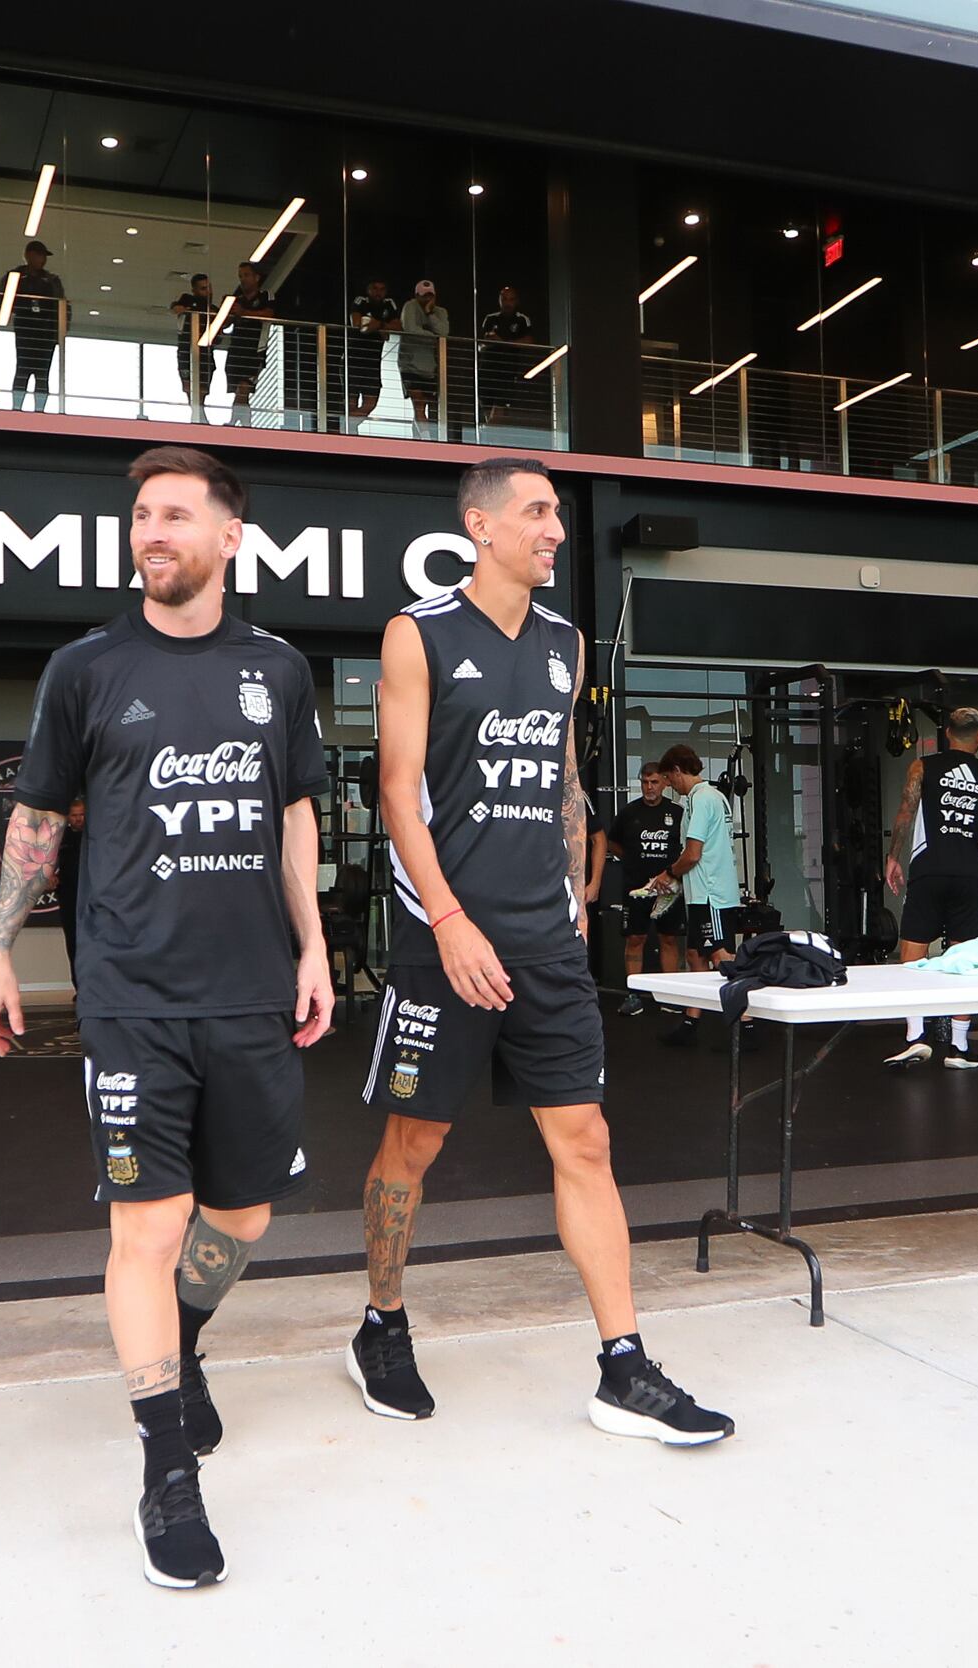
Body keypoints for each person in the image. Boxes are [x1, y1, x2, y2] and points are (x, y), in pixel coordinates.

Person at [0, 445, 333, 1590]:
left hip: (252, 990)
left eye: (175, 514)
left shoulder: (277, 668)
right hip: (130, 992)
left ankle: (176, 1345)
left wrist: (316, 944)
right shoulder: (86, 667)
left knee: (246, 1218)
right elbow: (36, 817)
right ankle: (166, 1469)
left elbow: (292, 817)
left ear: (232, 536)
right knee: (146, 1227)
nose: (151, 532)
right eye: (141, 516)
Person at [354, 454, 733, 1447]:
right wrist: (447, 917)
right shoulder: (417, 634)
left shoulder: (564, 641)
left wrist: (575, 890)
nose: (554, 530)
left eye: (556, 514)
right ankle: (380, 1323)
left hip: (542, 940)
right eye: (535, 513)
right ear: (480, 527)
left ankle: (623, 1367)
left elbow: (564, 778)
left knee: (587, 1140)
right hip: (446, 937)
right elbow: (397, 791)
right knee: (415, 1143)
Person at [883, 708, 978, 1070]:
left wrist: (893, 858)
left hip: (928, 870)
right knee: (963, 961)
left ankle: (915, 1037)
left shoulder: (923, 767)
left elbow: (905, 814)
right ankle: (959, 1048)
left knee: (913, 954)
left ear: (947, 734)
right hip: (969, 874)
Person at [644, 745, 742, 1046]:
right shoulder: (715, 797)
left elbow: (693, 854)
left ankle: (746, 1025)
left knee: (721, 957)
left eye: (668, 779)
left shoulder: (700, 799)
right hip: (705, 893)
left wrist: (668, 874)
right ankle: (691, 1021)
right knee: (694, 955)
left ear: (676, 771)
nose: (670, 786)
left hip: (711, 893)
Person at [609, 762, 685, 1016]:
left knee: (669, 938)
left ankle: (670, 994)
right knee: (635, 938)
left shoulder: (677, 812)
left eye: (654, 782)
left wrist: (672, 873)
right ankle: (633, 996)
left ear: (664, 782)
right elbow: (611, 842)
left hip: (668, 888)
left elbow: (688, 847)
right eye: (644, 782)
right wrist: (632, 859)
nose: (649, 787)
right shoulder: (629, 812)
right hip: (636, 887)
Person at [0, 240, 68, 412]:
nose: (43, 260)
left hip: (46, 330)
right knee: (23, 368)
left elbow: (62, 306)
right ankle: (17, 407)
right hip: (26, 328)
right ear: (29, 255)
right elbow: (0, 303)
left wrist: (59, 333)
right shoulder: (16, 277)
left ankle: (39, 410)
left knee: (42, 373)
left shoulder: (51, 280)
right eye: (39, 255)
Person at [219, 262, 276, 426]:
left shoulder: (266, 296)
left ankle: (232, 423)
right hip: (236, 351)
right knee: (240, 392)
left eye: (246, 275)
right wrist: (227, 310)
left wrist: (244, 313)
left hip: (255, 350)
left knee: (243, 388)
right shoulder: (237, 300)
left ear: (256, 277)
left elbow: (269, 314)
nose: (243, 279)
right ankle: (245, 426)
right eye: (240, 276)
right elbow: (225, 325)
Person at [342, 279, 400, 431]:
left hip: (373, 361)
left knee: (370, 404)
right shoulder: (361, 301)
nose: (378, 292)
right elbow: (356, 323)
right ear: (368, 290)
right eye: (375, 288)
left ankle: (346, 429)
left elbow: (398, 326)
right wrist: (379, 329)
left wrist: (378, 325)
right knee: (350, 403)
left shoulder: (389, 303)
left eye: (382, 289)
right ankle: (349, 434)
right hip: (353, 358)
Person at [398, 280, 452, 437]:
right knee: (419, 403)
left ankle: (417, 439)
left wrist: (429, 313)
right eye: (423, 296)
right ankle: (427, 439)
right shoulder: (410, 306)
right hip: (409, 364)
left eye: (430, 296)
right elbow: (411, 330)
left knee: (423, 405)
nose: (426, 299)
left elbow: (444, 333)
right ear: (416, 296)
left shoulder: (440, 312)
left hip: (429, 367)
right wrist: (433, 337)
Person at [479, 285, 539, 426]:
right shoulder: (490, 319)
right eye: (504, 299)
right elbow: (482, 342)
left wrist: (502, 342)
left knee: (499, 410)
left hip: (507, 372)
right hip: (487, 371)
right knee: (488, 411)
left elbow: (528, 341)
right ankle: (490, 441)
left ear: (516, 301)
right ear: (499, 300)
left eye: (511, 299)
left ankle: (485, 434)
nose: (507, 303)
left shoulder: (522, 320)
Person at [169, 274, 218, 421]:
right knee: (189, 387)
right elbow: (175, 307)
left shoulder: (213, 309)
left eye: (209, 288)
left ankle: (199, 416)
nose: (207, 292)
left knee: (202, 389)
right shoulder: (188, 299)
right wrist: (179, 308)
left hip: (205, 354)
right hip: (186, 352)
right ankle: (198, 416)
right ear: (195, 290)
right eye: (203, 288)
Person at [55, 795, 88, 989]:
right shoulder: (60, 837)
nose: (78, 819)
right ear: (68, 817)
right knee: (73, 942)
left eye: (82, 815)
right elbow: (45, 862)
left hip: (93, 896)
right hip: (69, 895)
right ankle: (80, 986)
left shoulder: (95, 836)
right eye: (75, 815)